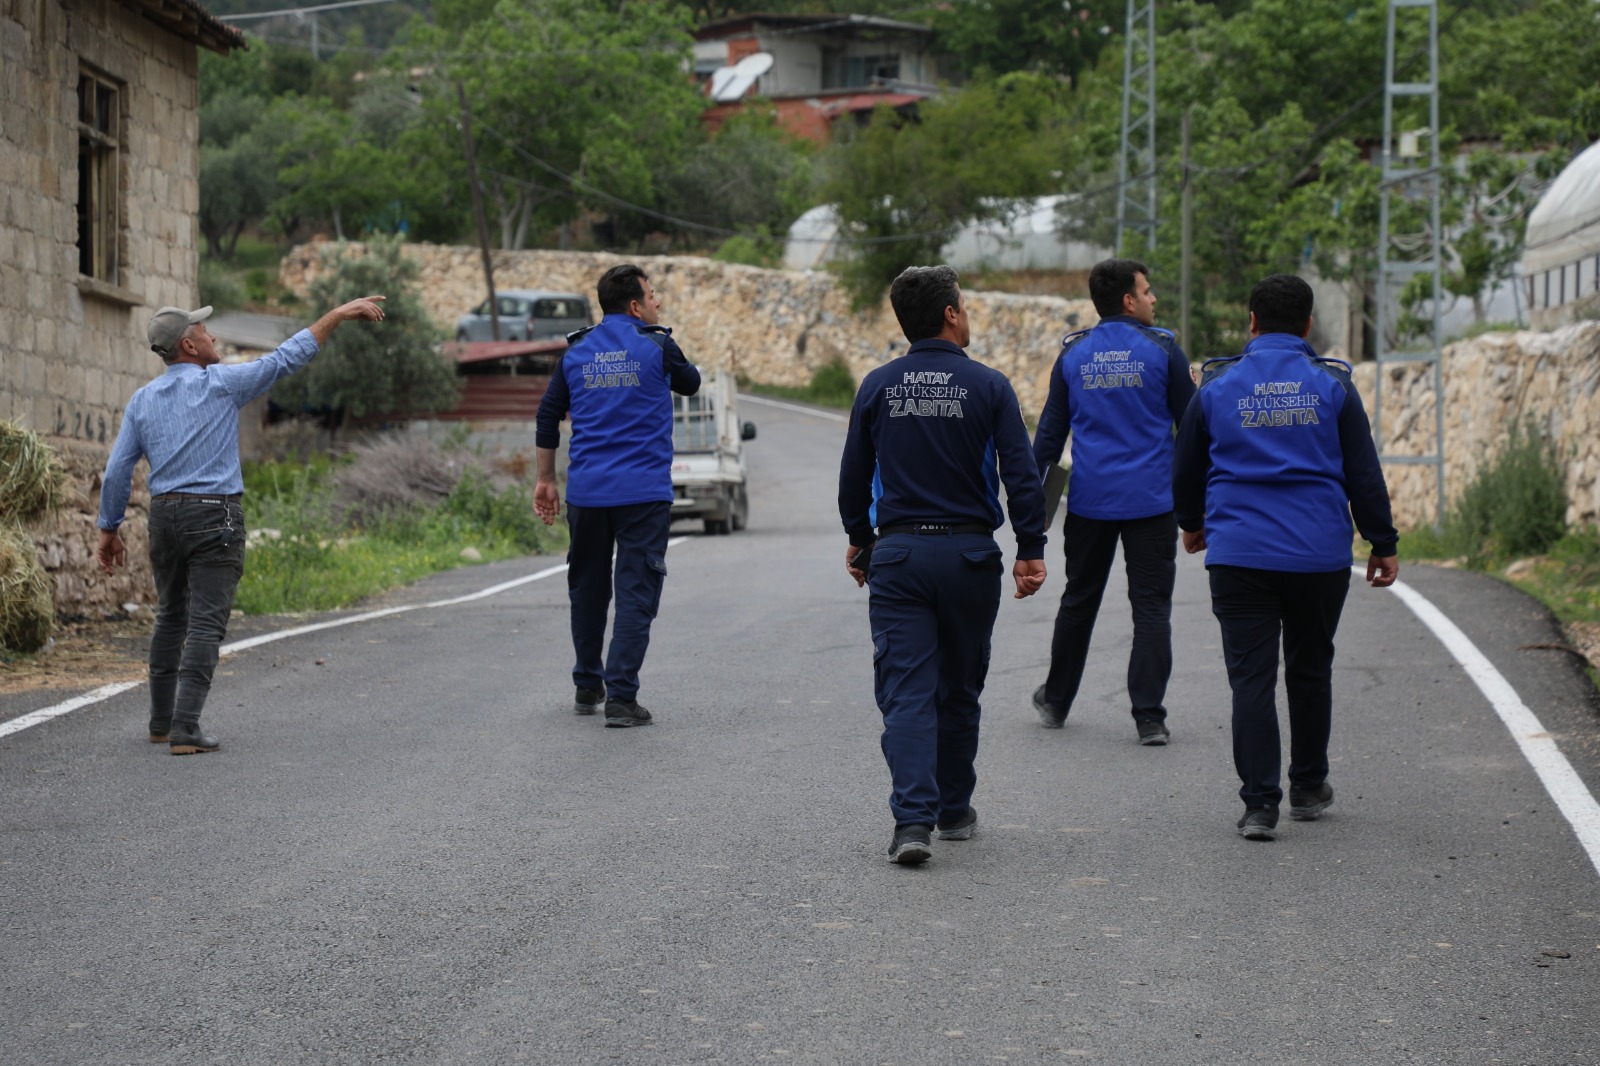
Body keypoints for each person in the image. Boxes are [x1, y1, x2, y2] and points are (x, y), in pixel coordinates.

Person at [97, 296, 388, 754]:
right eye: (204, 332)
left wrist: (108, 529)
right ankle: (186, 728)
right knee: (208, 622)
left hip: (165, 516)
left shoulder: (142, 400)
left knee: (171, 614)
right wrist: (337, 315)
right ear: (189, 347)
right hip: (215, 514)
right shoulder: (221, 384)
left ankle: (160, 721)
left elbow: (117, 472)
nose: (212, 336)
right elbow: (286, 358)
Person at [1172, 273, 1398, 841]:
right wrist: (1382, 542)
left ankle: (1259, 805)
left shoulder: (1218, 387)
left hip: (1240, 554)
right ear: (1307, 325)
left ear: (1251, 323)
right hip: (1318, 555)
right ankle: (1307, 785)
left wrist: (1193, 525)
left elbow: (1186, 465)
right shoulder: (1334, 387)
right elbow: (1363, 474)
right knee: (1309, 666)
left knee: (1250, 679)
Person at [838, 265, 1048, 866]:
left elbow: (854, 478)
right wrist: (1029, 549)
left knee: (906, 691)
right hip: (969, 555)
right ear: (951, 314)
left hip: (900, 555)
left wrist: (860, 540)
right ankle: (954, 808)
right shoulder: (989, 386)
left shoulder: (878, 386)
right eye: (966, 304)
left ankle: (912, 823)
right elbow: (1022, 475)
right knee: (959, 687)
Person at [1030, 258, 1196, 744]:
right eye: (1147, 292)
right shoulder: (1163, 350)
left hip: (1089, 504)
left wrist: (1033, 511)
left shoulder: (1074, 356)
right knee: (1150, 609)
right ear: (1128, 299)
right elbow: (1193, 432)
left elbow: (1048, 441)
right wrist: (1196, 507)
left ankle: (1057, 701)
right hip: (1151, 504)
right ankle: (1150, 718)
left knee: (1079, 601)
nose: (1153, 299)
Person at [534, 264, 700, 728]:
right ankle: (622, 699)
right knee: (635, 592)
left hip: (586, 494)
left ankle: (588, 683)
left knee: (587, 588)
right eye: (652, 295)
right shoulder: (658, 344)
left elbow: (547, 415)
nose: (658, 303)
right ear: (635, 305)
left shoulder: (577, 349)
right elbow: (691, 384)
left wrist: (546, 479)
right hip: (642, 495)